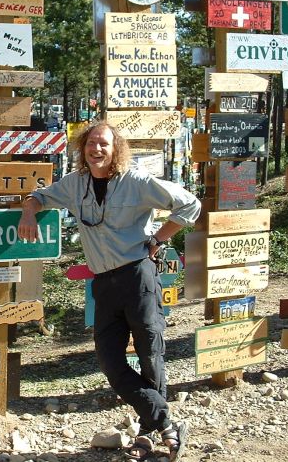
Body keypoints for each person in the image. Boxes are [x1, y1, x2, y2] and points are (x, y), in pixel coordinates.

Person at [18, 121, 200, 462]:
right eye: (90, 144)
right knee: (110, 361)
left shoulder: (137, 182)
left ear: (116, 149)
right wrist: (29, 211)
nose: (96, 149)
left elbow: (190, 205)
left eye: (103, 144)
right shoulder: (75, 185)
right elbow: (40, 196)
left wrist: (159, 238)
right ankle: (167, 423)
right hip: (103, 283)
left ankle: (148, 433)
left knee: (150, 352)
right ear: (82, 149)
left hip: (138, 277)